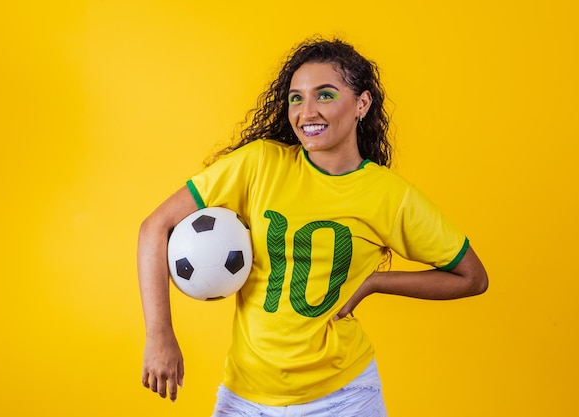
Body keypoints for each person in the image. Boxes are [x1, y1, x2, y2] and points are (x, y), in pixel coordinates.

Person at [137, 37, 488, 416]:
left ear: (362, 104)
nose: (307, 112)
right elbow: (154, 228)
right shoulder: (259, 165)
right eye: (296, 98)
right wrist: (160, 336)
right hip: (246, 398)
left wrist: (374, 283)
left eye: (324, 95)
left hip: (345, 398)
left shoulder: (389, 196)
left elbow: (472, 277)